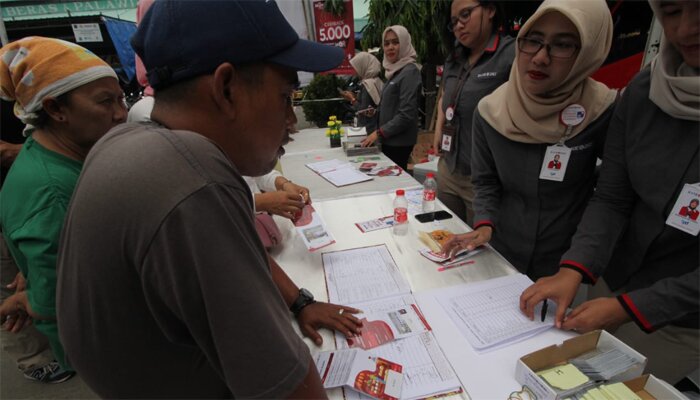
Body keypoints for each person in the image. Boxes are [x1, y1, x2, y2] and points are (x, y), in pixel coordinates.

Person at [56, 1, 362, 398]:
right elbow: (285, 388)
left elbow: (236, 255)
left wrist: (300, 302)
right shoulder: (194, 177)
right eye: (286, 96)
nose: (291, 121)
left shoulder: (128, 141)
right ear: (226, 88)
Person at [520, 0, 698, 384]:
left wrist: (629, 307)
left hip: (683, 317)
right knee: (563, 378)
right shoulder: (643, 91)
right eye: (670, 11)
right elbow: (614, 196)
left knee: (612, 388)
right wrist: (573, 269)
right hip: (615, 279)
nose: (685, 30)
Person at [441, 0, 617, 282]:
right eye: (533, 41)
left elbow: (613, 194)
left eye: (562, 45)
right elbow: (486, 181)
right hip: (504, 249)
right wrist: (484, 224)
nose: (540, 58)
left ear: (588, 52)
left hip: (566, 260)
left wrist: (577, 266)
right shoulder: (490, 112)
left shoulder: (601, 111)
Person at [0, 37, 128, 382]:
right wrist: (33, 303)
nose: (120, 113)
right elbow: (60, 302)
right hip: (112, 354)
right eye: (105, 102)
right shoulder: (53, 192)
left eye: (120, 98)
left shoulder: (57, 154)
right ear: (56, 109)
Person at [433, 0, 515, 225]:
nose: (459, 25)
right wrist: (439, 126)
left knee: (480, 252)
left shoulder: (511, 55)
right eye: (454, 22)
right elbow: (445, 96)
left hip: (484, 181)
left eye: (466, 15)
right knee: (445, 237)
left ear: (490, 10)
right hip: (449, 169)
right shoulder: (454, 57)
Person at [361, 25, 422, 171]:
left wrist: (378, 132)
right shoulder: (394, 71)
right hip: (389, 140)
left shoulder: (410, 71)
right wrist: (376, 112)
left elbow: (406, 114)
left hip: (399, 143)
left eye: (395, 42)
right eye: (387, 43)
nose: (390, 47)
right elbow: (393, 106)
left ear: (405, 43)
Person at [341, 52, 383, 132]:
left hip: (368, 129)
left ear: (363, 66)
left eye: (357, 67)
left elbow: (363, 110)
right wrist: (355, 96)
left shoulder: (368, 85)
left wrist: (352, 99)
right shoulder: (376, 80)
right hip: (375, 126)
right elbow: (370, 103)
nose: (355, 71)